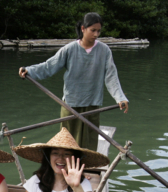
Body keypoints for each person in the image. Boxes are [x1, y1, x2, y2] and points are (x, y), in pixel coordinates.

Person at [18, 12, 129, 152]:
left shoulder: (104, 50)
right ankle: (65, 170)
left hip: (93, 103)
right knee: (67, 143)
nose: (96, 34)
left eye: (98, 31)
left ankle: (86, 171)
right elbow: (49, 67)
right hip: (71, 104)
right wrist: (29, 70)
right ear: (83, 29)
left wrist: (120, 98)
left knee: (89, 143)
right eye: (92, 30)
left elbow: (111, 76)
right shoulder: (70, 49)